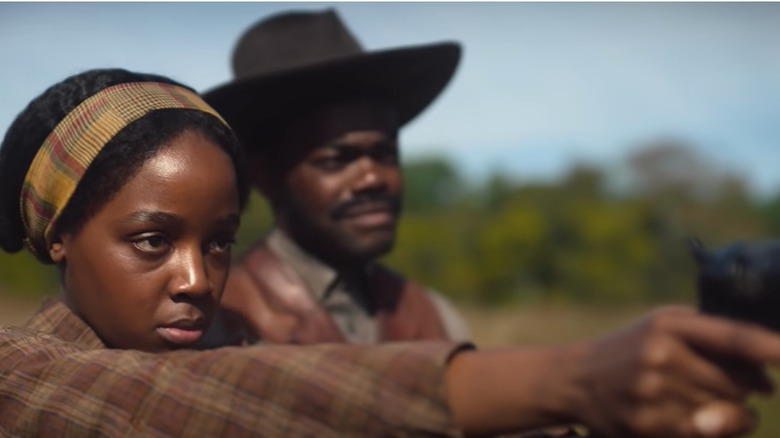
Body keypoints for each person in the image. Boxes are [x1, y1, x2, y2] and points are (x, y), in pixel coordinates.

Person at [2, 68, 780, 438]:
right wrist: (572, 377)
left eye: (219, 243)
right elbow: (243, 401)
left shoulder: (222, 343)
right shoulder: (20, 374)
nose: (198, 279)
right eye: (151, 241)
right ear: (59, 235)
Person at [201, 9, 470, 344]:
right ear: (265, 176)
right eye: (337, 161)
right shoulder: (217, 319)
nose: (373, 177)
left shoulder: (436, 317)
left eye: (385, 154)